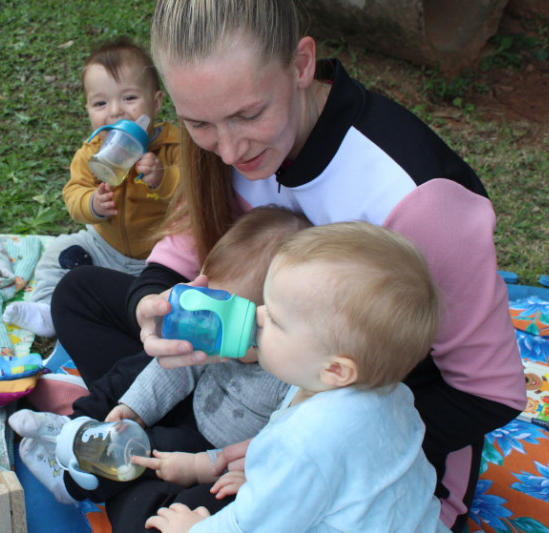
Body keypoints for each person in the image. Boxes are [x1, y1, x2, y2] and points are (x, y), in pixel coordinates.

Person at [50, 0, 525, 530]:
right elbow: (182, 249)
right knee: (79, 295)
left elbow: (490, 393)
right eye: (198, 123)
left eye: (249, 115)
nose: (228, 149)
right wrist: (150, 301)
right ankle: (166, 439)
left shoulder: (415, 196)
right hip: (245, 373)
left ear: (301, 65)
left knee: (154, 516)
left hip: (340, 439)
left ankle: (153, 455)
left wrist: (294, 448)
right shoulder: (223, 144)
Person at [10, 207, 309, 527]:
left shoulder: (292, 375)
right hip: (187, 417)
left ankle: (81, 474)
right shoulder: (223, 338)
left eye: (228, 327)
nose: (210, 333)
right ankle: (77, 436)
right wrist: (133, 408)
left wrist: (202, 467)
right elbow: (174, 370)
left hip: (218, 461)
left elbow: (271, 450)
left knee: (156, 471)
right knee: (138, 397)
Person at [143, 222, 449, 532]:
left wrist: (192, 529)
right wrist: (271, 477)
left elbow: (248, 526)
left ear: (335, 370)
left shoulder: (306, 441)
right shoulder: (391, 393)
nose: (257, 315)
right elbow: (352, 473)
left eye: (275, 319)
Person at [2, 37, 179, 336]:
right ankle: (47, 310)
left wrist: (164, 178)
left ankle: (148, 314)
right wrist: (92, 205)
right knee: (61, 252)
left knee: (185, 282)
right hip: (103, 246)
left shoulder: (173, 146)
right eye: (100, 103)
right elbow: (73, 193)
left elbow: (195, 190)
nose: (115, 112)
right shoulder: (91, 151)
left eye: (129, 98)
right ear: (88, 109)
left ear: (157, 102)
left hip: (161, 253)